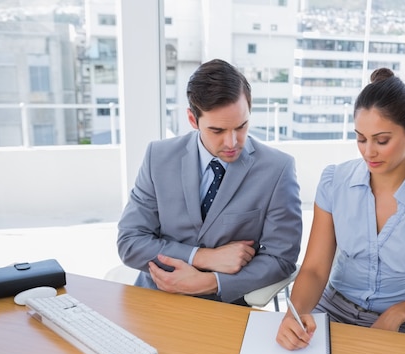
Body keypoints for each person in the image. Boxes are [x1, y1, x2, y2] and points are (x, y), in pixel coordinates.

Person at [276, 68, 405, 350]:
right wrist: (294, 315)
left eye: (382, 140)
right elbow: (316, 269)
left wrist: (397, 313)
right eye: (361, 139)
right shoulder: (334, 183)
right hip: (331, 313)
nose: (369, 152)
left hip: (400, 324)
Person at [117, 59, 302, 305]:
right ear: (193, 120)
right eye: (217, 131)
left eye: (242, 126)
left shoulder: (278, 169)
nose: (232, 142)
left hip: (224, 307)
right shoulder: (158, 157)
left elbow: (281, 259)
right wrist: (203, 257)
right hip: (155, 297)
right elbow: (130, 242)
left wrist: (211, 281)